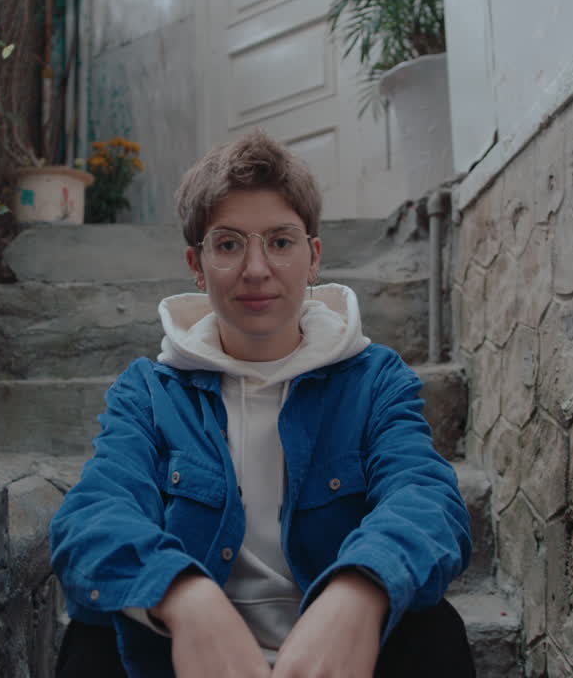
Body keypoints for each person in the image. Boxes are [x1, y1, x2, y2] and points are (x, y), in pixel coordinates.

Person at [49, 130, 474, 678]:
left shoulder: (374, 380)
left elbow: (427, 499)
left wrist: (360, 589)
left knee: (434, 629)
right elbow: (92, 517)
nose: (256, 269)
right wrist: (184, 597)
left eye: (280, 241)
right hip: (186, 661)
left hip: (340, 663)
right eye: (228, 244)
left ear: (313, 256)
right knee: (94, 638)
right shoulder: (150, 392)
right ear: (197, 265)